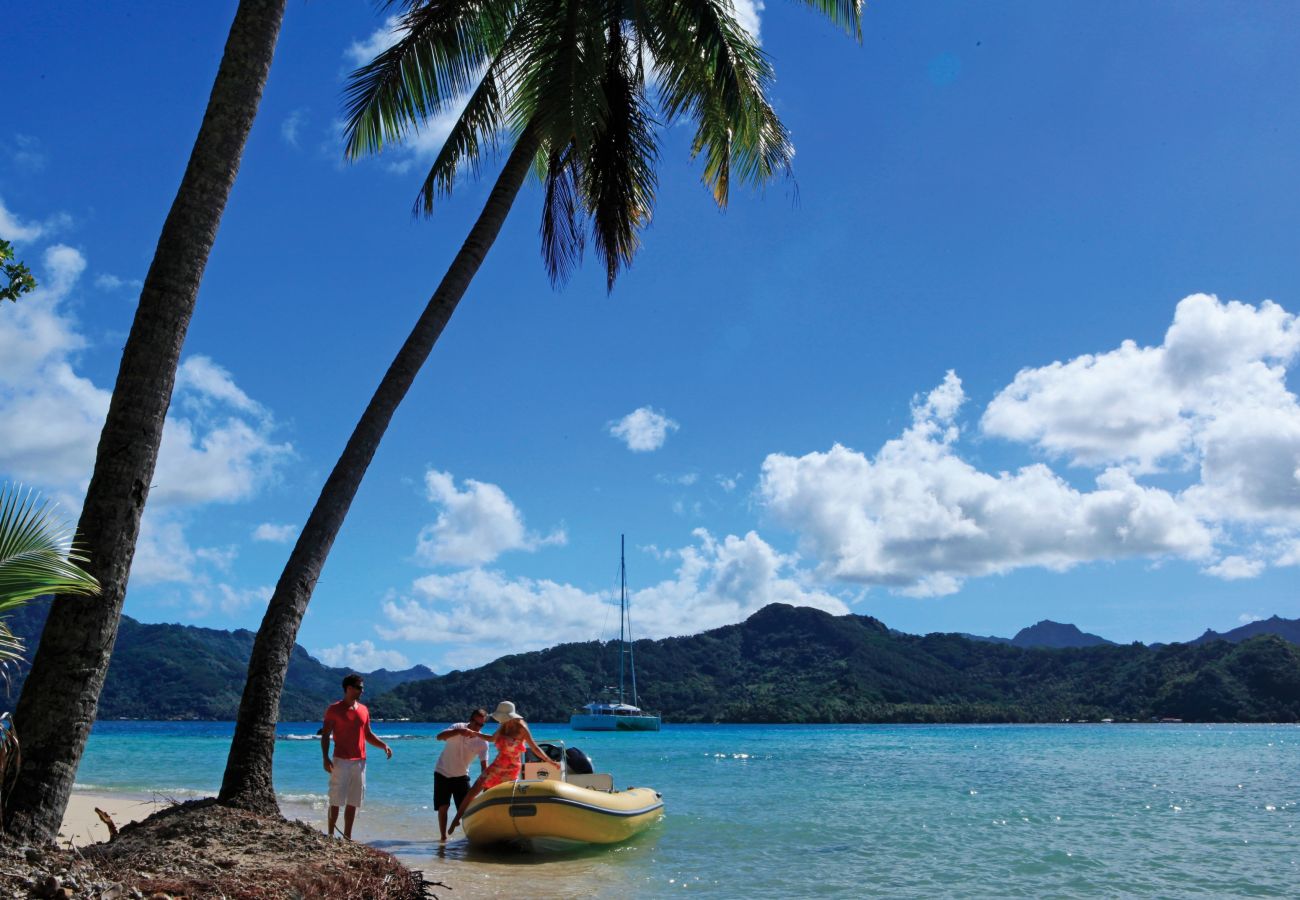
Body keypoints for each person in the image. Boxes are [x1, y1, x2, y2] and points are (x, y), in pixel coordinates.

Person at [448, 700, 559, 835]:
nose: (501, 720)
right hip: (498, 764)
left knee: (504, 796)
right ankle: (457, 819)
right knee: (474, 789)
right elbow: (491, 739)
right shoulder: (503, 726)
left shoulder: (522, 728)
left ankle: (507, 827)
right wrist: (475, 733)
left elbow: (534, 748)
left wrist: (549, 761)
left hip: (512, 768)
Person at [321, 673, 392, 840]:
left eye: (363, 688)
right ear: (349, 688)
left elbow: (367, 734)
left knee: (353, 800)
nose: (362, 691)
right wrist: (325, 758)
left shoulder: (364, 710)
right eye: (359, 688)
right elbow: (325, 735)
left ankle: (347, 836)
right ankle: (331, 835)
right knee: (336, 799)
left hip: (360, 762)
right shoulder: (334, 709)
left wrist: (384, 745)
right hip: (340, 760)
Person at [433, 707, 490, 842]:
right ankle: (443, 838)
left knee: (466, 810)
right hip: (442, 772)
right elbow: (439, 737)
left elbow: (484, 766)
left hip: (461, 776)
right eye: (476, 723)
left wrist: (487, 785)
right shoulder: (458, 727)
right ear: (470, 720)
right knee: (443, 807)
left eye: (482, 725)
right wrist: (458, 731)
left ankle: (469, 838)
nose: (478, 727)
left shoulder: (482, 741)